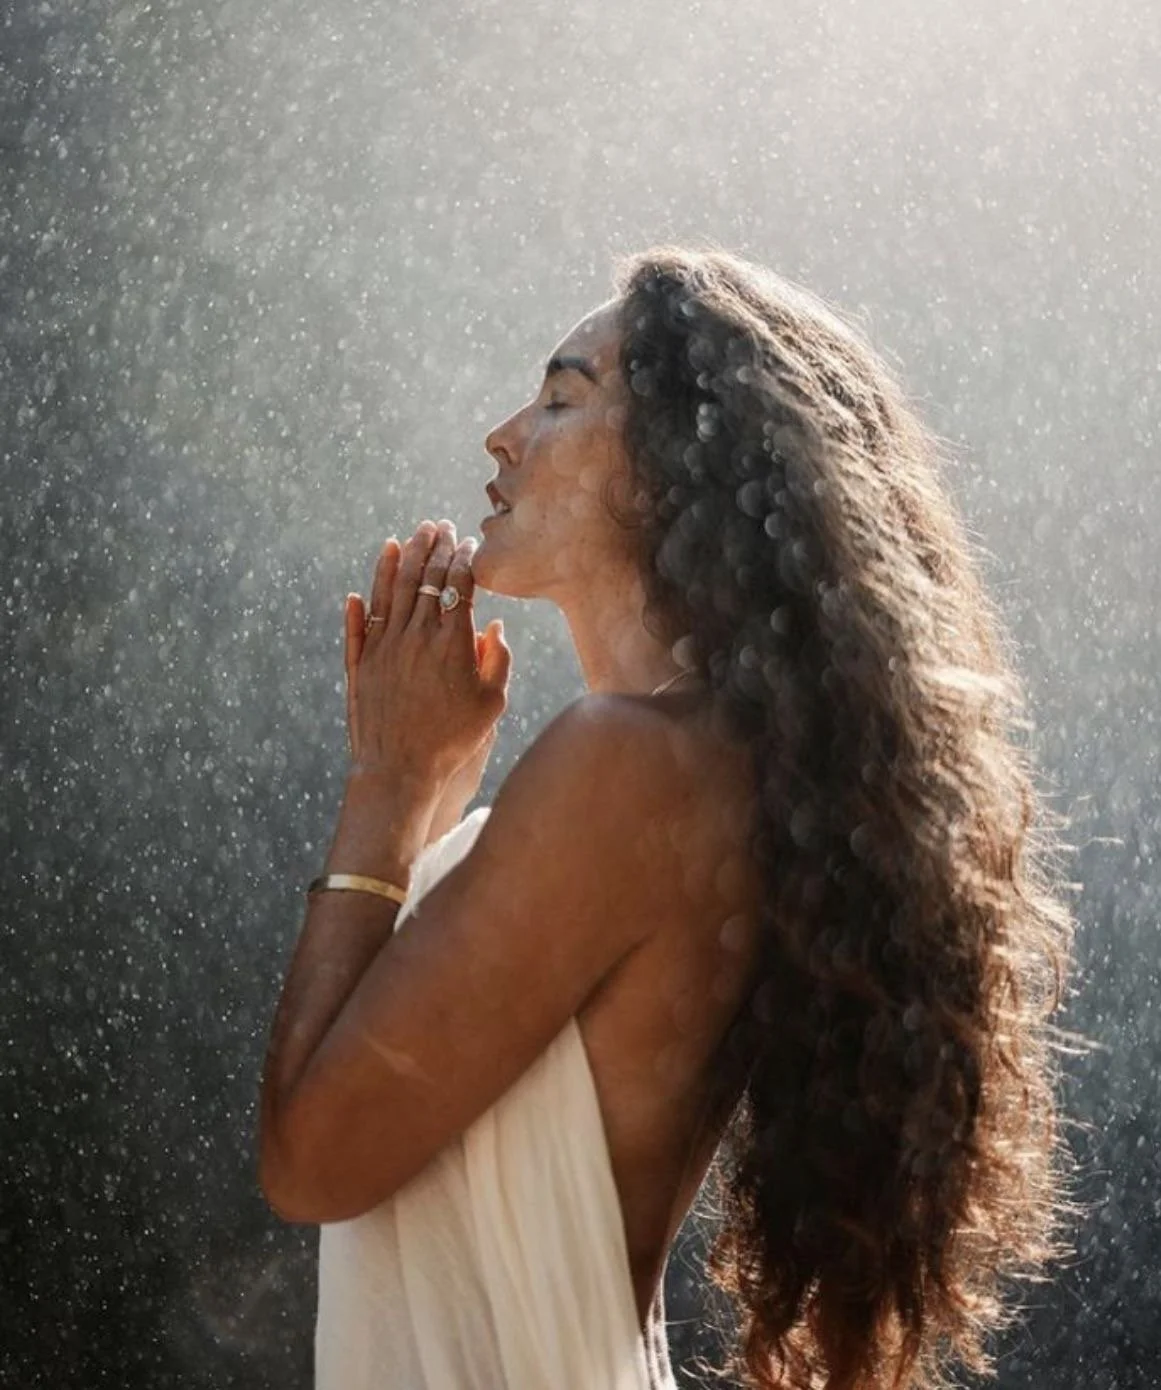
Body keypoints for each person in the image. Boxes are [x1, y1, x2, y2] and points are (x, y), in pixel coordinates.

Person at [259, 247, 1074, 1390]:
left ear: (682, 466)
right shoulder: (706, 774)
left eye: (558, 398)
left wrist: (388, 787)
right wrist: (441, 782)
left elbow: (311, 1161)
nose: (501, 434)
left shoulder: (626, 769)